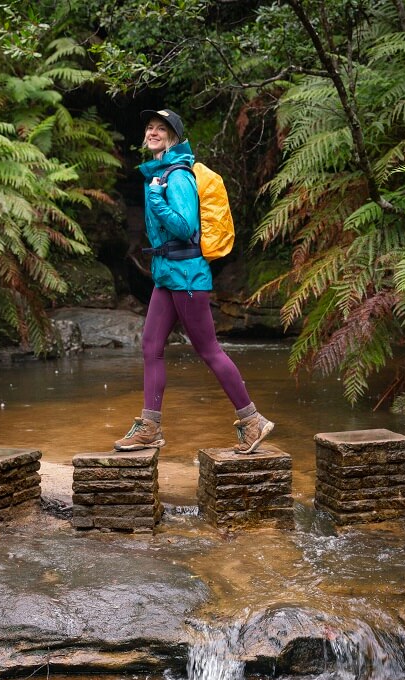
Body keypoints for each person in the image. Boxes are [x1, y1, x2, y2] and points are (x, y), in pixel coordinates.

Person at [114, 108, 274, 454]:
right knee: (151, 346)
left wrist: (156, 199)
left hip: (186, 275)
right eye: (150, 127)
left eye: (161, 129)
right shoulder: (160, 173)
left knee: (208, 349)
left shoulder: (178, 176)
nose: (153, 132)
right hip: (167, 275)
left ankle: (252, 420)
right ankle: (150, 427)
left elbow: (186, 227)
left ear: (173, 137)